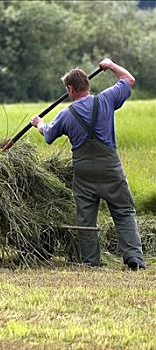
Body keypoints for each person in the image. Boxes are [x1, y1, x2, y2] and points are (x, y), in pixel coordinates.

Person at [30, 58, 146, 270]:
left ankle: (91, 261)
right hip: (110, 168)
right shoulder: (106, 100)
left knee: (85, 218)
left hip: (83, 172)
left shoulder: (65, 114)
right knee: (123, 211)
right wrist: (110, 65)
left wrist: (39, 123)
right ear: (87, 85)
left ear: (71, 89)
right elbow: (128, 79)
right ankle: (134, 258)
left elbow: (47, 135)